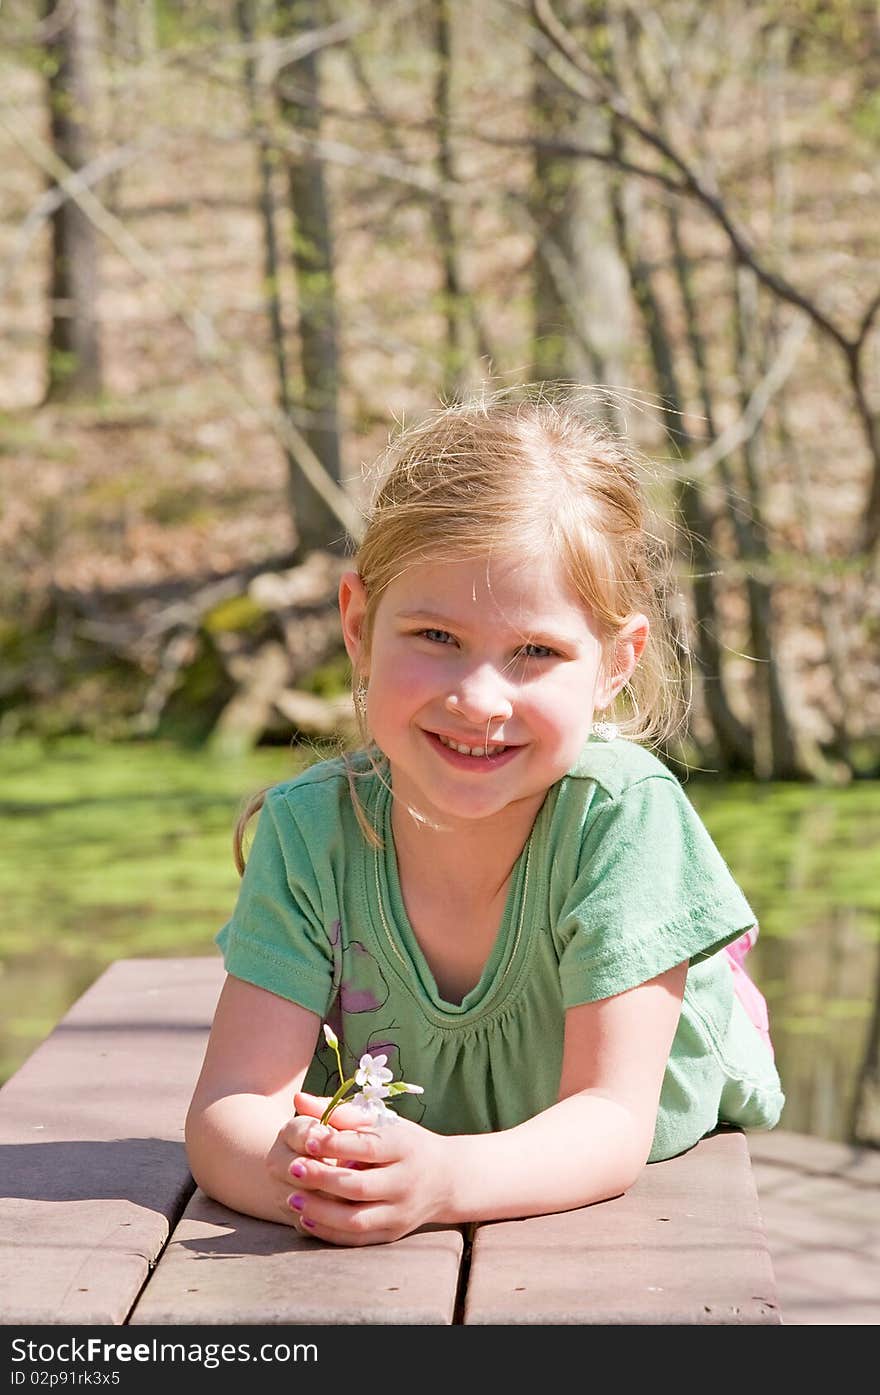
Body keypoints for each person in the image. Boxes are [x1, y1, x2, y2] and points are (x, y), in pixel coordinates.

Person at [185, 388, 784, 1247]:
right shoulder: (309, 830)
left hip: (633, 1102)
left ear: (616, 663)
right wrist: (308, 1173)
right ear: (359, 624)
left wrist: (446, 1181)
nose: (477, 699)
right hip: (428, 1131)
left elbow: (611, 1121)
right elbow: (228, 1111)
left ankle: (708, 969)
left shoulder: (621, 815)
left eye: (535, 652)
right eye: (435, 636)